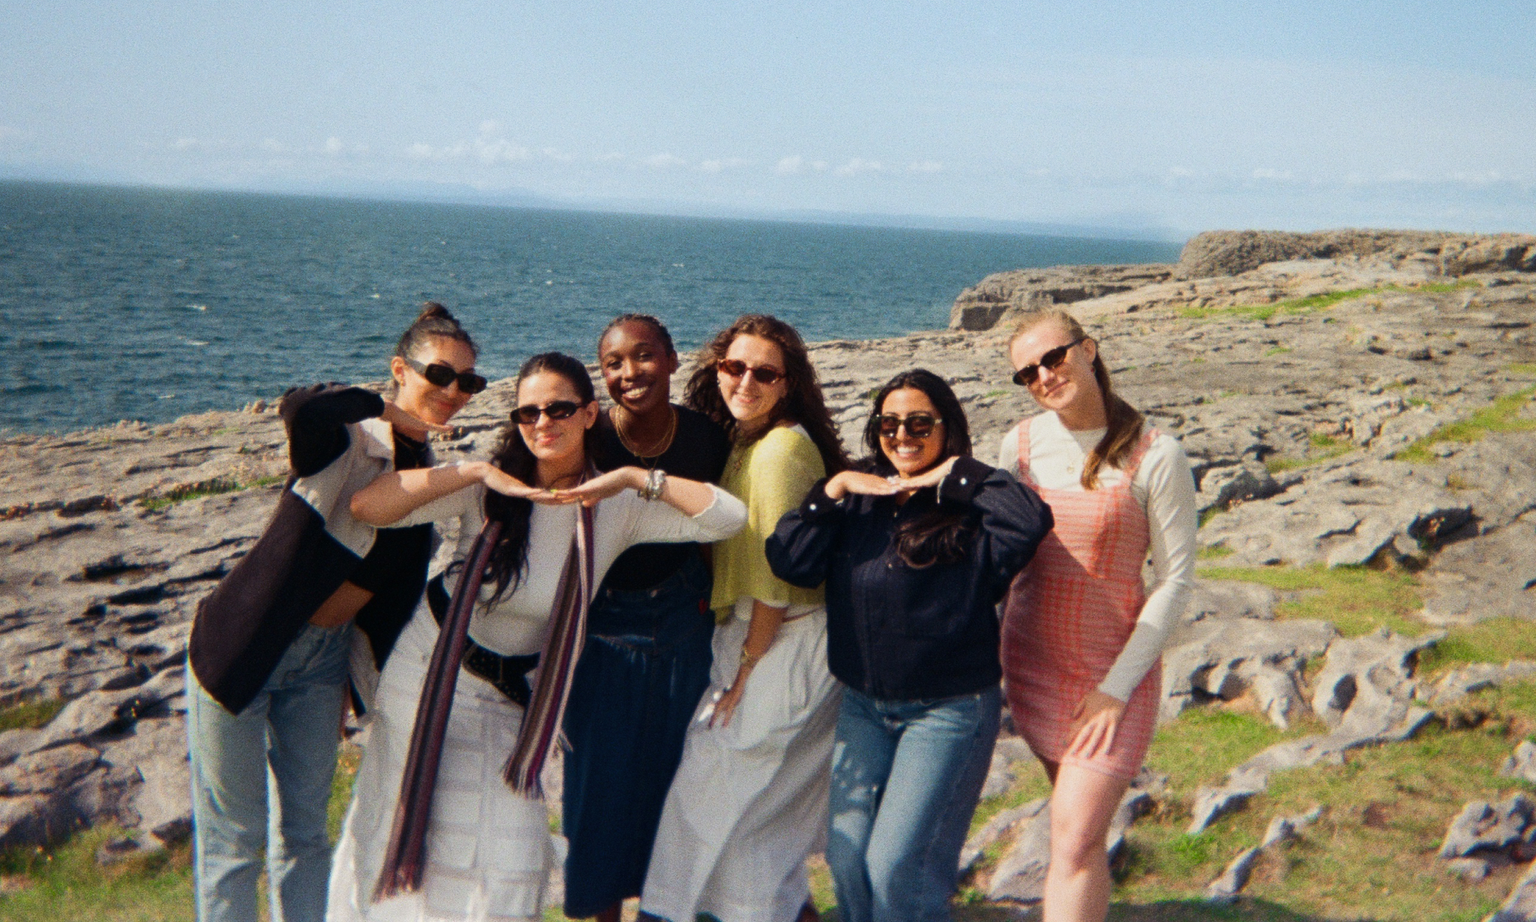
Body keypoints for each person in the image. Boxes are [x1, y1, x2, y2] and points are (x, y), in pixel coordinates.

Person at [326, 352, 746, 922]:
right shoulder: (490, 489)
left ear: (590, 414)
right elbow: (367, 506)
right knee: (408, 826)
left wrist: (633, 477)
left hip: (515, 692)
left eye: (559, 409)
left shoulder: (614, 504)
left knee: (512, 851)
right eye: (528, 413)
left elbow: (728, 519)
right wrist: (472, 470)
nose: (542, 423)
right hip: (432, 669)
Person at [186, 302, 484, 922]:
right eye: (439, 374)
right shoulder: (343, 441)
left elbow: (401, 587)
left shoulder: (428, 471)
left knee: (304, 834)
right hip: (242, 647)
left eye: (468, 381)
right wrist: (385, 409)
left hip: (322, 665)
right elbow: (302, 406)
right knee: (235, 842)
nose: (453, 392)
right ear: (400, 369)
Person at [765, 369, 1052, 922]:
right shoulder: (859, 498)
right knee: (847, 860)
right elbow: (791, 559)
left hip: (948, 711)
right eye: (890, 424)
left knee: (897, 866)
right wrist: (835, 489)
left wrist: (958, 475)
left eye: (921, 423)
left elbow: (1030, 520)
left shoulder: (969, 506)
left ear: (947, 430)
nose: (903, 435)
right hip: (864, 706)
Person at [642, 314, 849, 922]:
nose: (746, 381)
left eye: (764, 372)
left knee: (703, 797)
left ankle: (661, 913)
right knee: (755, 827)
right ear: (717, 368)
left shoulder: (782, 448)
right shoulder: (746, 440)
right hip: (759, 639)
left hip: (779, 641)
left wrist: (746, 669)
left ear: (788, 384)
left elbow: (777, 581)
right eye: (735, 367)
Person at [998, 309, 1197, 922]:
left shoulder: (1156, 453)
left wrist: (1114, 690)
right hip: (1030, 665)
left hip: (1112, 676)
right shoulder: (1021, 445)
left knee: (1076, 837)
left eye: (1053, 358)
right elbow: (998, 554)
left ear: (1088, 349)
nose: (1043, 376)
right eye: (1027, 372)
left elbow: (1175, 581)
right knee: (1076, 834)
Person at [561, 315, 731, 922]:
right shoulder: (586, 439)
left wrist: (718, 606)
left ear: (673, 360)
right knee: (597, 795)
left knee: (680, 785)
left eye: (643, 356)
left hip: (686, 615)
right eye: (613, 363)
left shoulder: (707, 438)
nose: (629, 373)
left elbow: (718, 524)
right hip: (603, 629)